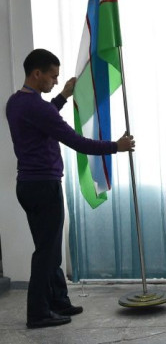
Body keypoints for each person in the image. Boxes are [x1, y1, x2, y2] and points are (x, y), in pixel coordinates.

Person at [5, 48, 135, 329]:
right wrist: (116, 146)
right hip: (43, 185)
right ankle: (38, 313)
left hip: (28, 184)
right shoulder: (36, 107)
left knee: (49, 249)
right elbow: (76, 141)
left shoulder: (16, 102)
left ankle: (58, 301)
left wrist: (63, 95)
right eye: (52, 77)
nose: (54, 81)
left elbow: (43, 116)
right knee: (46, 253)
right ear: (36, 74)